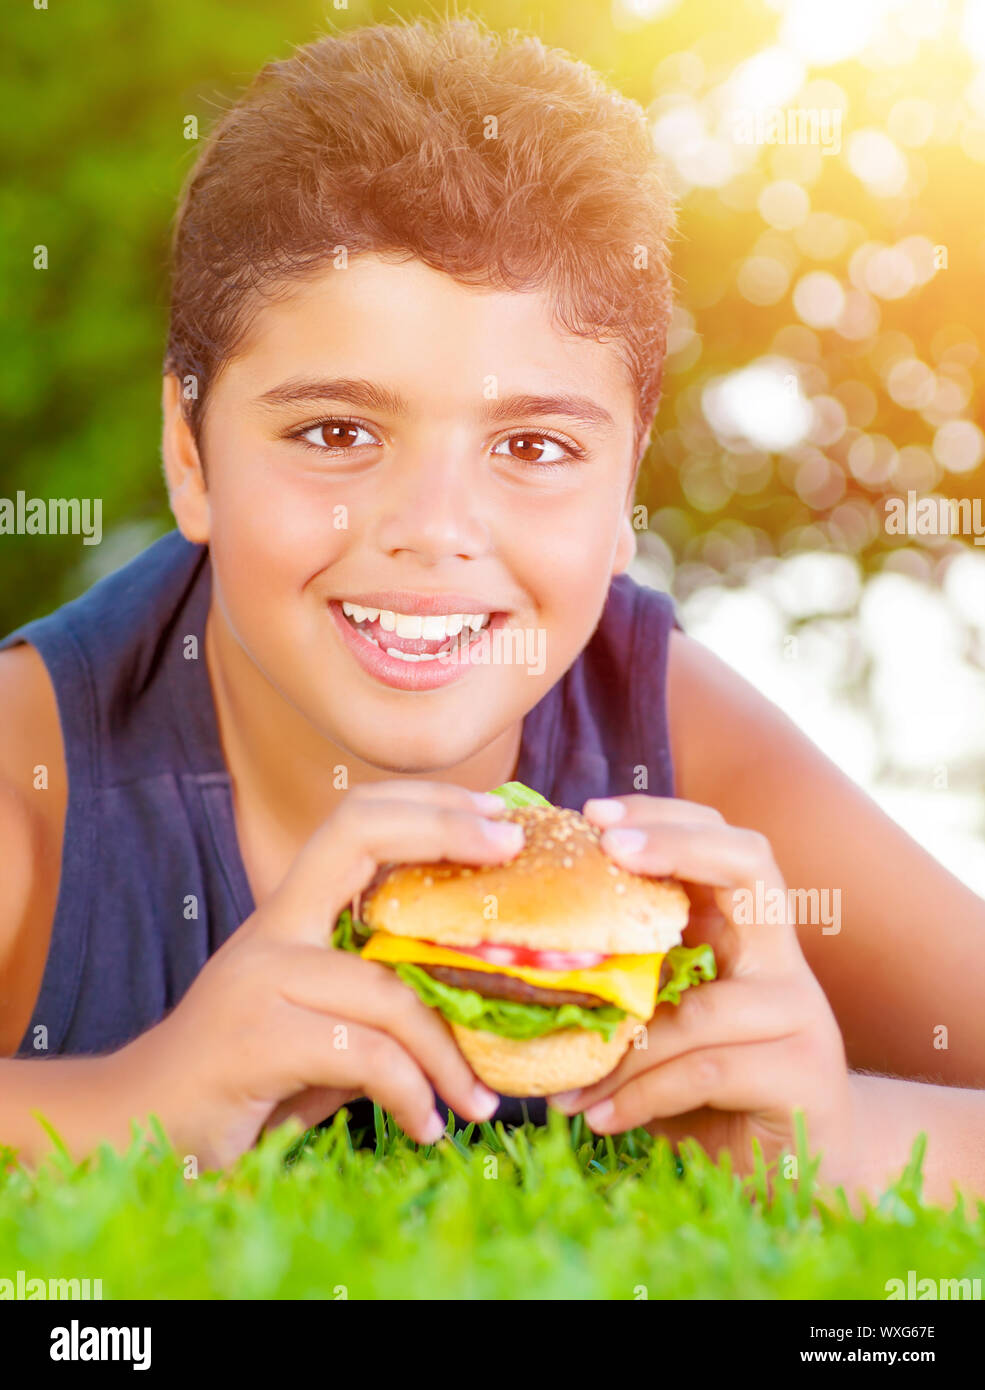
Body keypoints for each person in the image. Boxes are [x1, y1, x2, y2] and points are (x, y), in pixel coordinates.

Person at [1, 16, 983, 1205]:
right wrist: (124, 1105)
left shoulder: (667, 744)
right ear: (190, 454)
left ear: (626, 490)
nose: (434, 527)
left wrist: (842, 1129)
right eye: (336, 432)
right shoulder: (38, 784)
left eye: (531, 443)